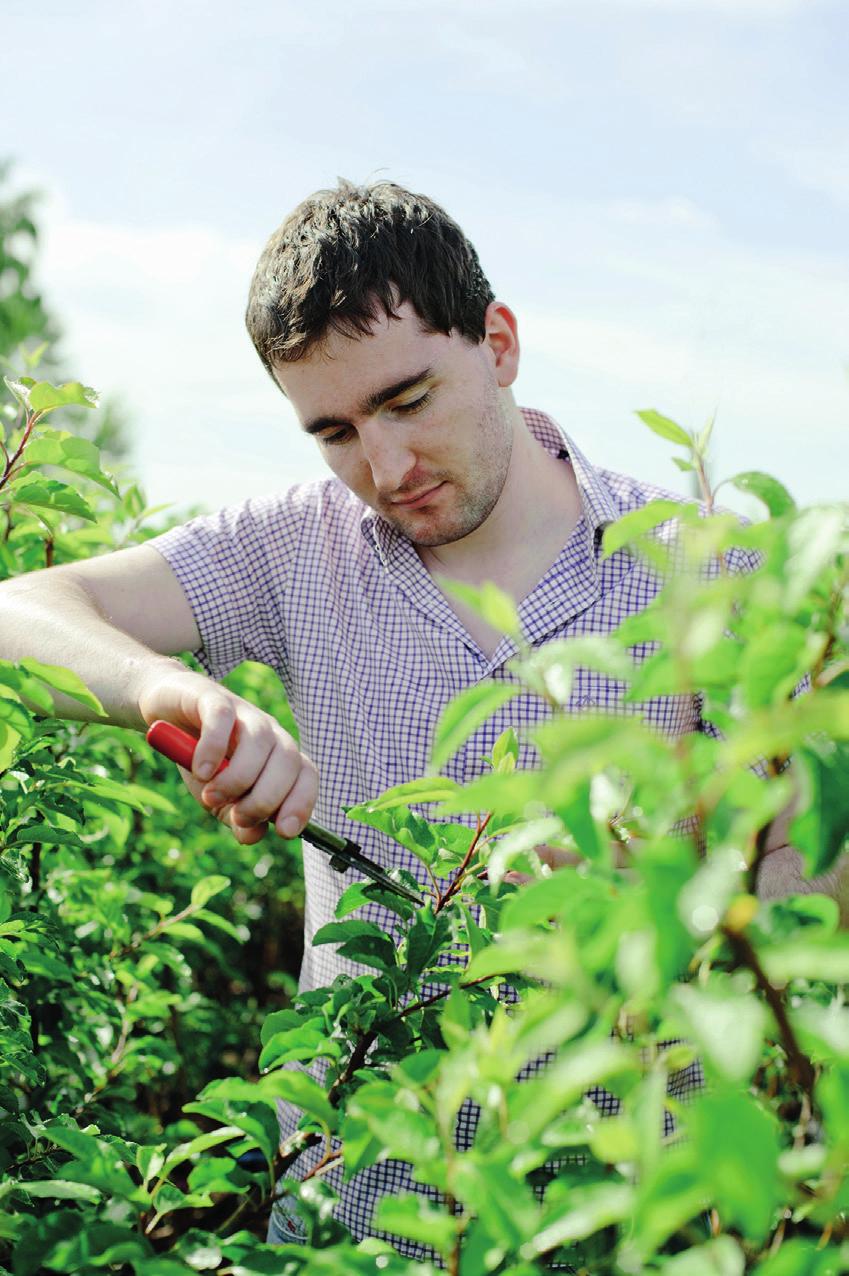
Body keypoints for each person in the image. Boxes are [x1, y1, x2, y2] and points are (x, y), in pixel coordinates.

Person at [0, 180, 844, 1255]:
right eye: (335, 431)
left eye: (408, 402)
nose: (384, 470)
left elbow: (805, 924)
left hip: (641, 1223)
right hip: (362, 1219)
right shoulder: (294, 548)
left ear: (498, 342)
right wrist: (175, 691)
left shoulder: (711, 570)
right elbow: (21, 612)